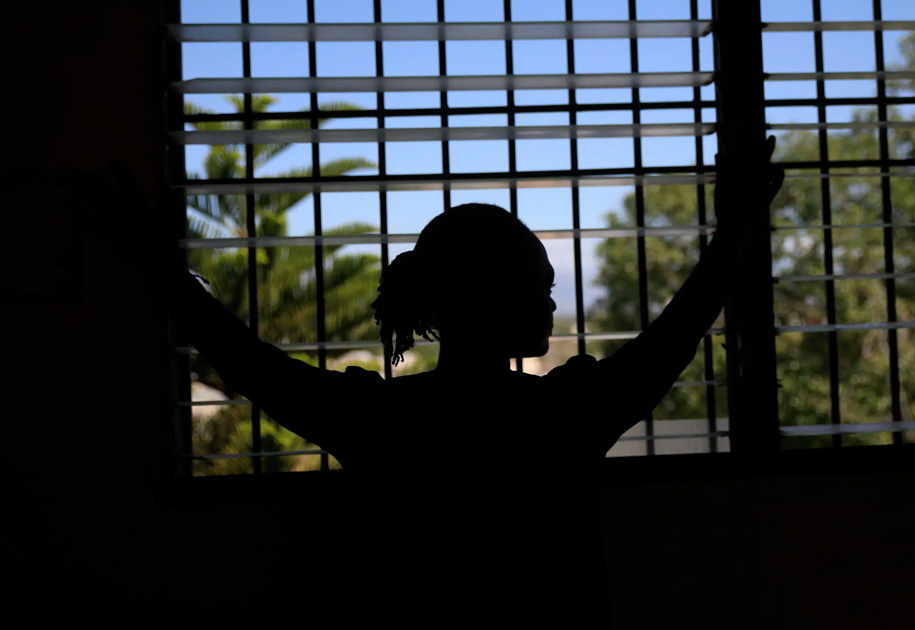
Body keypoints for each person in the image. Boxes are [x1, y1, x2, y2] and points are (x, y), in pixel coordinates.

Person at [80, 137, 784, 627]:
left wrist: (167, 276)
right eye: (539, 288)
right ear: (492, 298)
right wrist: (735, 232)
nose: (551, 303)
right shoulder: (568, 413)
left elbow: (248, 362)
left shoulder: (376, 418)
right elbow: (675, 335)